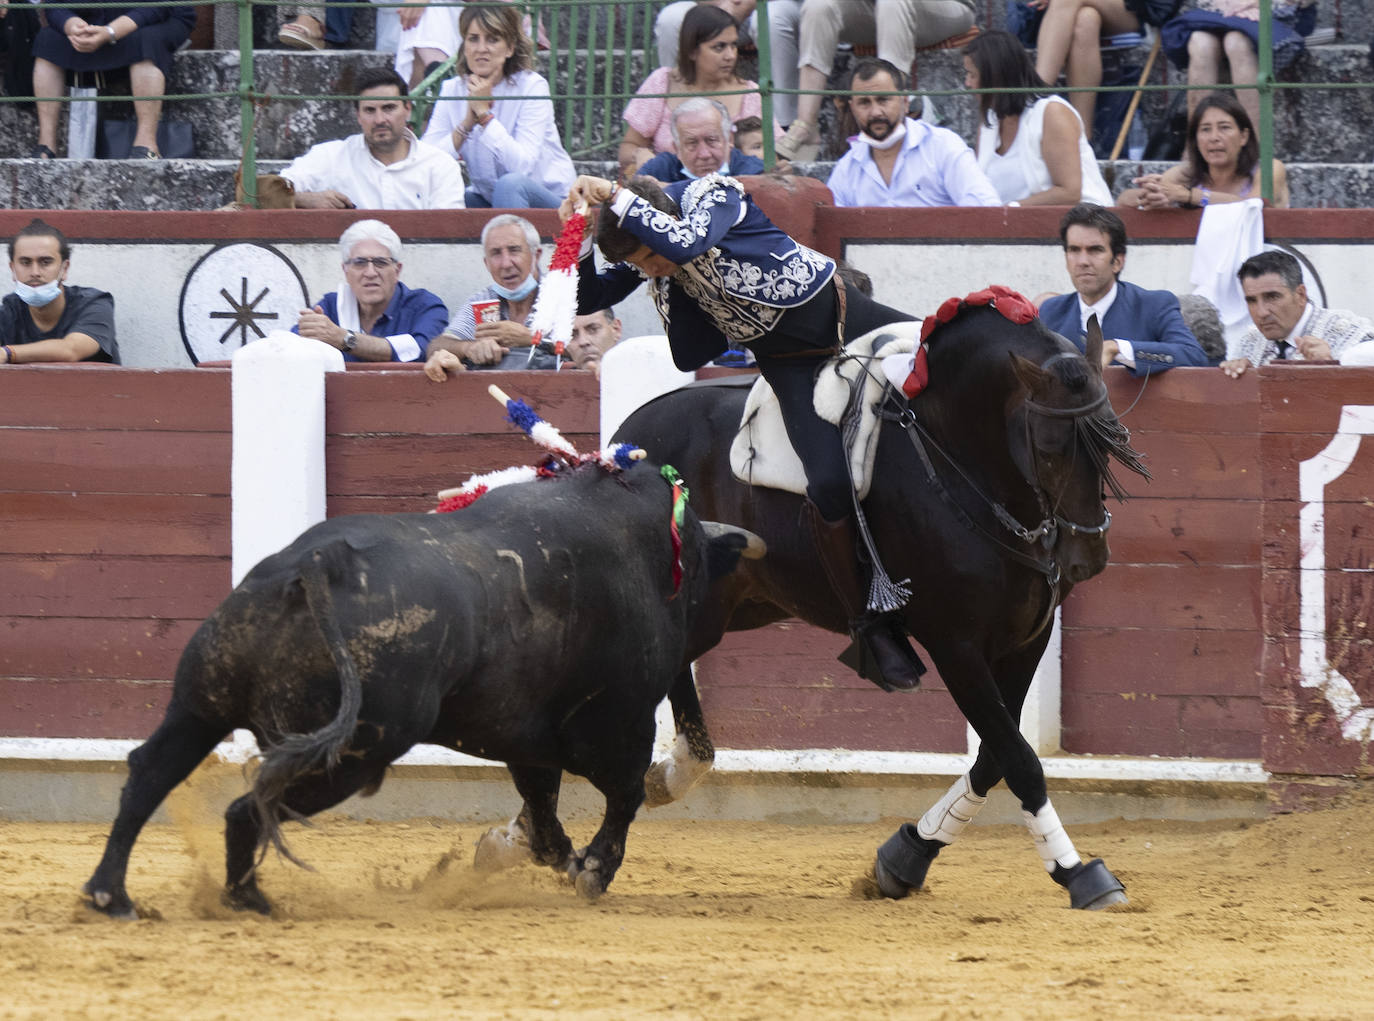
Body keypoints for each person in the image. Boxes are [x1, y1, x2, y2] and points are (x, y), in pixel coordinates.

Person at [561, 171, 925, 693]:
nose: (651, 272)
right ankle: (872, 625)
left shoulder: (713, 194)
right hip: (793, 366)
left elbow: (686, 242)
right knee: (828, 483)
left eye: (648, 259)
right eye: (642, 265)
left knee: (950, 364)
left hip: (853, 317)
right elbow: (589, 292)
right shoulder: (658, 257)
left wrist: (613, 194)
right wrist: (577, 226)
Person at [776, 0, 978, 161]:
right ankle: (806, 126)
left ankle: (890, 119)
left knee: (892, 3)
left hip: (948, 7)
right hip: (874, 7)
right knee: (818, 7)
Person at [420, 4, 575, 209]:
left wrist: (484, 116)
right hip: (491, 197)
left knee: (510, 185)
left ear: (510, 48)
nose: (481, 48)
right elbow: (425, 162)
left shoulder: (531, 86)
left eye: (492, 39)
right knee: (451, 198)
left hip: (552, 201)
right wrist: (467, 124)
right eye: (473, 39)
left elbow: (522, 167)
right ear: (464, 45)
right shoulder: (452, 89)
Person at [1038, 204, 1208, 374]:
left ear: (1118, 262)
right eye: (1074, 250)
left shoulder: (1153, 305)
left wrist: (1119, 349)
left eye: (1095, 250)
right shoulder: (1051, 311)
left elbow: (1194, 356)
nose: (1083, 261)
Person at [619, 4, 780, 176]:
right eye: (719, 47)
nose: (730, 55)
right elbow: (629, 146)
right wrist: (639, 154)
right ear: (692, 51)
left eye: (733, 45)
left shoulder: (750, 94)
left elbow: (772, 155)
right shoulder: (662, 82)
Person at [279, 68, 466, 210]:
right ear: (358, 116)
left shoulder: (440, 165)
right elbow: (266, 191)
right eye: (370, 110)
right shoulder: (331, 156)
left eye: (389, 108)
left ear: (408, 109)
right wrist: (304, 199)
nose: (379, 120)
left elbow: (449, 230)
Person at [963, 30, 1113, 207]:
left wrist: (1010, 211)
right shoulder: (989, 122)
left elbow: (1070, 193)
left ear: (995, 76)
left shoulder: (1051, 113)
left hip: (1081, 225)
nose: (967, 83)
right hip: (1012, 228)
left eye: (972, 75)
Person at [29, 1, 195, 159]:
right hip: (95, 21)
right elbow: (55, 6)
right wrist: (72, 25)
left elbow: (157, 6)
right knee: (47, 40)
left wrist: (111, 32)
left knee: (146, 41)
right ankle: (46, 145)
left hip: (161, 17)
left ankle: (147, 145)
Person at [826, 59, 999, 208]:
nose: (875, 112)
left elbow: (986, 210)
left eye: (883, 100)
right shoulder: (847, 168)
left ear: (905, 102)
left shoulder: (942, 147)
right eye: (864, 103)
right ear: (852, 108)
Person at [293, 219, 447, 363]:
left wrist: (344, 338)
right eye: (360, 263)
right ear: (345, 270)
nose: (370, 273)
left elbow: (421, 350)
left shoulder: (424, 306)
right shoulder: (331, 306)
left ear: (397, 270)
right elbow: (289, 347)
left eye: (380, 262)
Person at [424, 214, 559, 377]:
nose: (506, 263)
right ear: (486, 264)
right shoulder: (483, 301)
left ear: (536, 255)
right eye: (496, 253)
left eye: (514, 250)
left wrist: (532, 339)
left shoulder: (562, 295)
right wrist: (470, 348)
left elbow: (591, 349)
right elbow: (437, 346)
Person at [1117, 91, 1287, 210]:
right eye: (1205, 129)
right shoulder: (1184, 174)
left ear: (1244, 136)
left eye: (1224, 128)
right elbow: (1123, 201)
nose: (1214, 137)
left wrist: (1190, 196)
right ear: (1195, 140)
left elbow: (1252, 206)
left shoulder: (1269, 169)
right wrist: (1150, 196)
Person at [1160, 0, 1316, 129]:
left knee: (1236, 43)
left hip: (1275, 10)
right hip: (1219, 10)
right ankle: (1195, 143)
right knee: (1201, 43)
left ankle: (1256, 145)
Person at [1220, 250, 1374, 378]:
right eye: (1252, 301)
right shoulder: (1249, 343)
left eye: (1272, 297)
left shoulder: (1350, 332)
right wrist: (1240, 380)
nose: (1261, 312)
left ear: (1300, 295)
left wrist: (1334, 365)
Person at [653, 0, 803, 127]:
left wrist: (744, 5)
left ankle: (783, 125)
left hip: (770, 5)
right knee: (670, 18)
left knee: (770, 20)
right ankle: (675, 108)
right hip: (713, 7)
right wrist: (719, 5)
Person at [1024, 0, 1147, 139]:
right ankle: (1082, 136)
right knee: (1086, 19)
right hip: (1078, 10)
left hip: (1135, 10)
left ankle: (1035, 96)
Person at [1, 219, 119, 364]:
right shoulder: (8, 312)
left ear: (64, 268)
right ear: (13, 269)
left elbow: (71, 350)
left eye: (46, 262)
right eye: (25, 262)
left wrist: (7, 353)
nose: (35, 272)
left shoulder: (94, 304)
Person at [636, 99, 766, 184]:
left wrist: (669, 190)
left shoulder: (754, 171)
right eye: (692, 143)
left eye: (712, 140)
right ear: (677, 149)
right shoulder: (661, 168)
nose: (704, 154)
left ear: (729, 140)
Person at [567, 308, 623, 378]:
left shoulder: (638, 372)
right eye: (572, 335)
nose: (583, 342)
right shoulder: (556, 383)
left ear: (616, 329)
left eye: (593, 329)